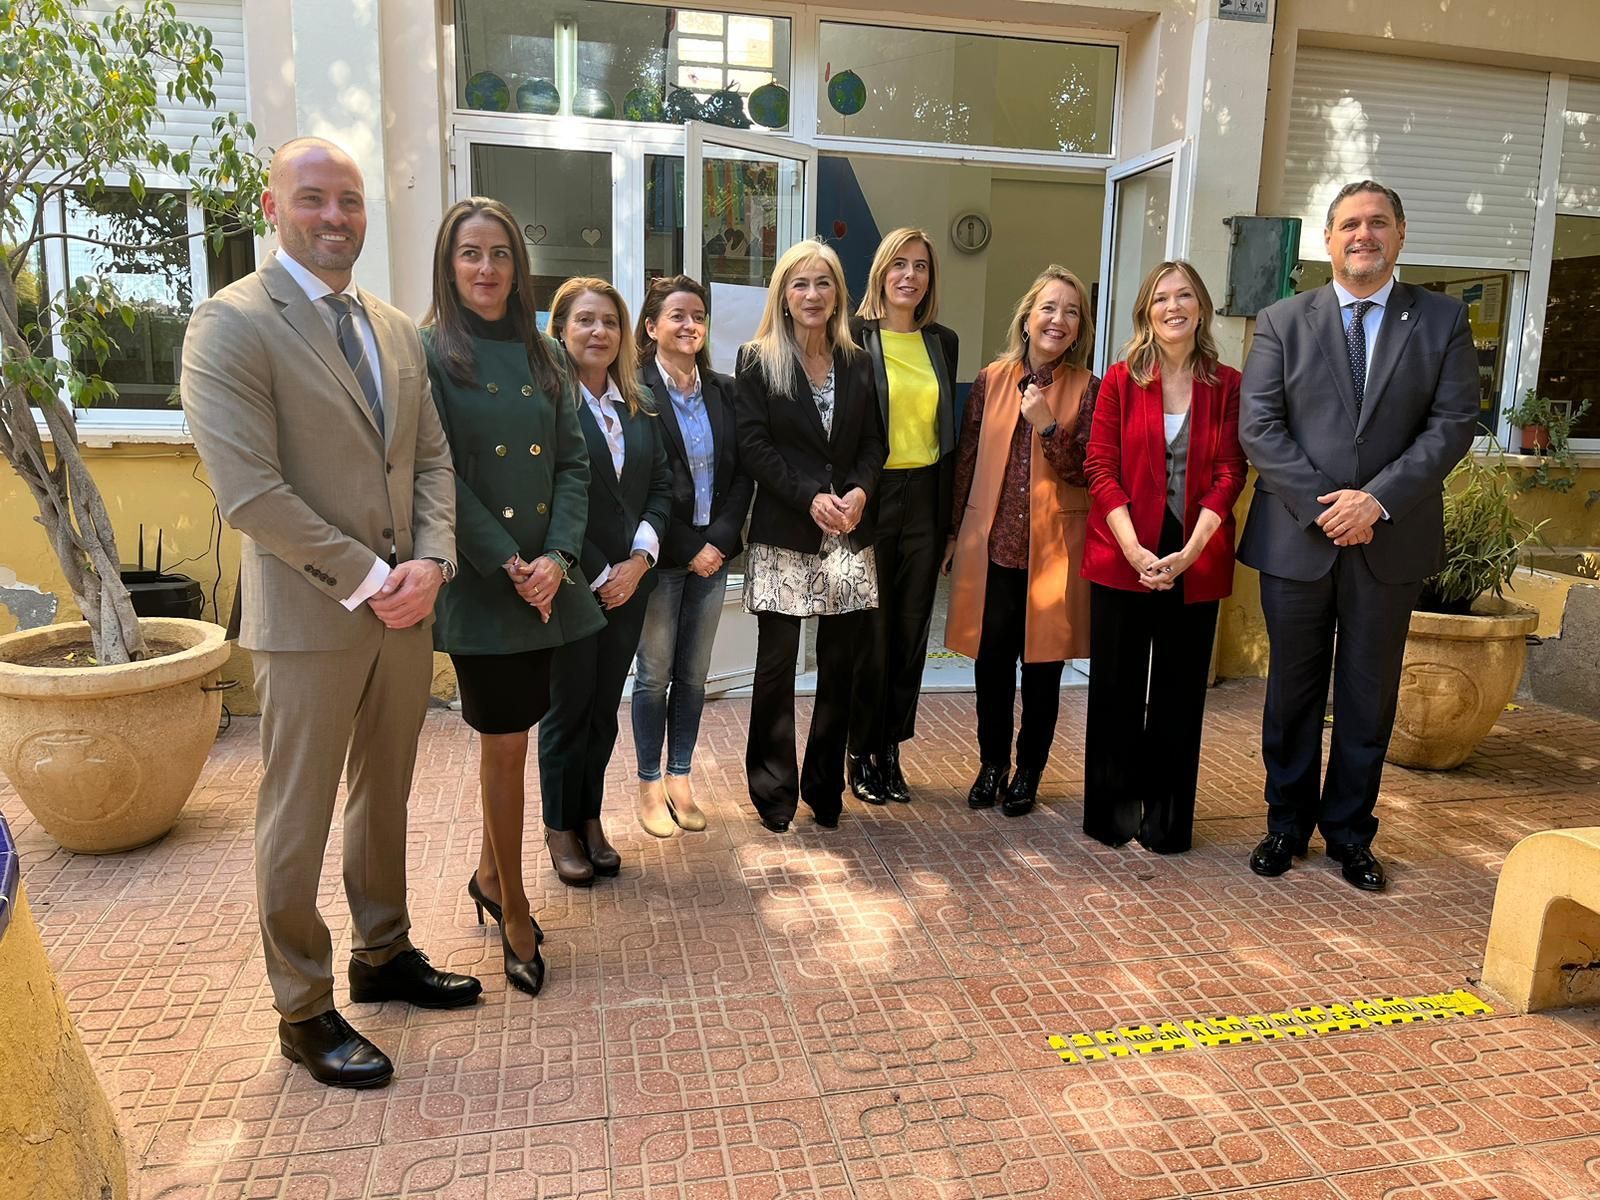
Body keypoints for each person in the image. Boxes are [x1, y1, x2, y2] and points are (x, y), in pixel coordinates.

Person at [180, 138, 479, 1090]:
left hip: (404, 612)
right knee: (297, 814)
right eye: (314, 200)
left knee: (382, 793)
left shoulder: (394, 329)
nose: (335, 218)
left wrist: (430, 562)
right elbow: (249, 491)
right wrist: (368, 576)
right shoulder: (229, 326)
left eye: (349, 201)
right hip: (311, 617)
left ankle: (381, 954)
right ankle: (302, 1007)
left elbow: (431, 459)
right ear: (274, 207)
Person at [1239, 179, 1478, 892]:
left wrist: (1375, 501)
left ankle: (1350, 834)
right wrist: (1326, 507)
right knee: (1292, 691)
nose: (1362, 235)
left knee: (1369, 695)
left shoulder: (1441, 321)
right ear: (1329, 240)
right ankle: (1285, 824)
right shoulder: (1283, 320)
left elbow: (1453, 425)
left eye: (1377, 223)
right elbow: (1259, 426)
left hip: (1390, 541)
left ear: (1400, 234)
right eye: (1349, 224)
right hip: (1296, 541)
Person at [422, 198, 606, 996]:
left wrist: (558, 559)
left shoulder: (547, 355)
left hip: (545, 584)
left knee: (522, 734)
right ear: (449, 263)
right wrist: (509, 561)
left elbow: (573, 464)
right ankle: (516, 905)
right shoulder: (428, 353)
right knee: (504, 742)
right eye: (471, 254)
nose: (487, 269)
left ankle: (490, 879)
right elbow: (436, 474)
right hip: (484, 582)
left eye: (500, 253)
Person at [1081, 261, 1246, 852]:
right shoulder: (1121, 381)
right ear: (1146, 312)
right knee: (1117, 689)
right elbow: (1098, 469)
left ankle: (1167, 823)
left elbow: (1231, 472)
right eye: (1160, 298)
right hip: (1123, 549)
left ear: (1200, 307)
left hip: (1194, 554)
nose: (1173, 307)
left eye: (1183, 296)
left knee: (1178, 694)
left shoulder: (1227, 384)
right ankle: (1111, 815)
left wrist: (1189, 551)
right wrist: (1132, 549)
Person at [735, 239, 884, 833]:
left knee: (840, 665)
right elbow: (752, 445)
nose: (813, 294)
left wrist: (859, 493)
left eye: (823, 283)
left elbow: (875, 442)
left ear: (839, 294)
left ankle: (825, 788)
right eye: (801, 284)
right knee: (775, 665)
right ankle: (773, 790)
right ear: (783, 294)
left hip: (848, 532)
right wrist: (808, 496)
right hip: (785, 534)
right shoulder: (756, 359)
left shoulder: (857, 360)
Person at [944, 265, 1099, 818]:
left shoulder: (1088, 388)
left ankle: (1029, 770)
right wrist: (952, 531)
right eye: (1049, 308)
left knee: (1043, 668)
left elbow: (1087, 470)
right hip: (993, 547)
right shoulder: (992, 378)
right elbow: (966, 459)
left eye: (1071, 311)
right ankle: (992, 764)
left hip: (1053, 551)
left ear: (1079, 329)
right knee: (991, 663)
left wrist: (1048, 424)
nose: (1059, 320)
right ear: (1028, 318)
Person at [538, 278, 672, 884]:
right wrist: (598, 569)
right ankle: (560, 828)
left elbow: (662, 486)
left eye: (610, 322)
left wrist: (640, 559)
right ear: (561, 330)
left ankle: (590, 818)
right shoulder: (549, 401)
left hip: (631, 583)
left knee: (604, 712)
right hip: (573, 583)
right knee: (569, 710)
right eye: (585, 321)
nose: (599, 332)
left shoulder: (636, 403)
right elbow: (549, 499)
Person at [631, 275, 754, 837]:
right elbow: (637, 485)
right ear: (652, 326)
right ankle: (650, 784)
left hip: (715, 553)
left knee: (695, 675)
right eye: (676, 315)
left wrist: (721, 541)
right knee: (654, 675)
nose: (689, 325)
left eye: (697, 315)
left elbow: (742, 474)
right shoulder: (634, 391)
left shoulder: (726, 391)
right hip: (660, 556)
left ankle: (682, 776)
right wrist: (690, 547)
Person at [846, 229, 961, 806]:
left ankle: (891, 748)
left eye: (920, 266)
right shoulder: (853, 339)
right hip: (873, 494)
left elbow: (949, 437)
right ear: (881, 273)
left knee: (912, 630)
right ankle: (860, 749)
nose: (909, 276)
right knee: (872, 629)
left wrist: (950, 527)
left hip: (926, 499)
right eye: (899, 265)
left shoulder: (944, 342)